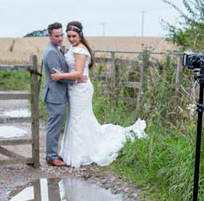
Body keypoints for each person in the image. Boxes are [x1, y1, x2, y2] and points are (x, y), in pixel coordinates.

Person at [50, 21, 147, 167]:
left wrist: (61, 76)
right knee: (77, 118)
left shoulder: (80, 50)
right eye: (68, 36)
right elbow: (77, 73)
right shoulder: (74, 47)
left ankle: (82, 154)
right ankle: (76, 151)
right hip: (76, 88)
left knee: (79, 119)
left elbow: (78, 73)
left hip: (81, 90)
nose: (70, 39)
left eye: (74, 36)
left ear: (80, 34)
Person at [41, 22, 86, 167]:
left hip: (58, 94)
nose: (60, 38)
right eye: (56, 36)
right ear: (49, 36)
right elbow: (57, 75)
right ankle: (51, 157)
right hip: (54, 95)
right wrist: (76, 79)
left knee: (56, 125)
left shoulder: (56, 48)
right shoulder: (51, 52)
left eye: (61, 35)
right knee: (54, 126)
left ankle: (53, 154)